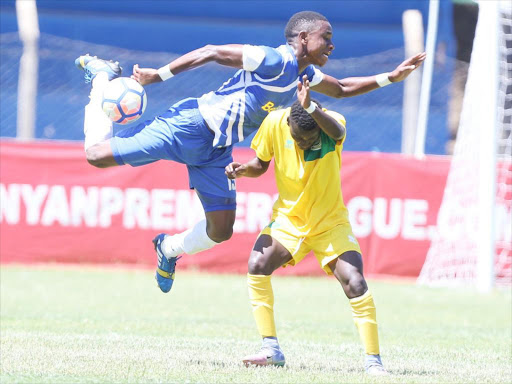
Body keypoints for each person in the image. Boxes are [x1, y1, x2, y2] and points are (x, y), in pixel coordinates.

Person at [75, 11, 425, 294]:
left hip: (216, 152)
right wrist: (158, 75)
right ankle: (103, 80)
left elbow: (344, 88)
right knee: (95, 155)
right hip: (189, 126)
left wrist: (392, 77)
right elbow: (212, 51)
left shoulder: (307, 75)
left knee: (220, 230)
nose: (332, 45)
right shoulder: (272, 59)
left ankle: (167, 249)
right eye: (326, 37)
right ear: (303, 38)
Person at [224, 75, 387, 375]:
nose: (304, 143)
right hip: (290, 219)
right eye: (299, 138)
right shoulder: (274, 122)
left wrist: (312, 109)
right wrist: (243, 170)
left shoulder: (330, 125)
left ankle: (373, 362)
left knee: (355, 282)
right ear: (288, 125)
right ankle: (271, 349)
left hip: (330, 223)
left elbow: (336, 131)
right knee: (257, 264)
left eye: (310, 141)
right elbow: (261, 164)